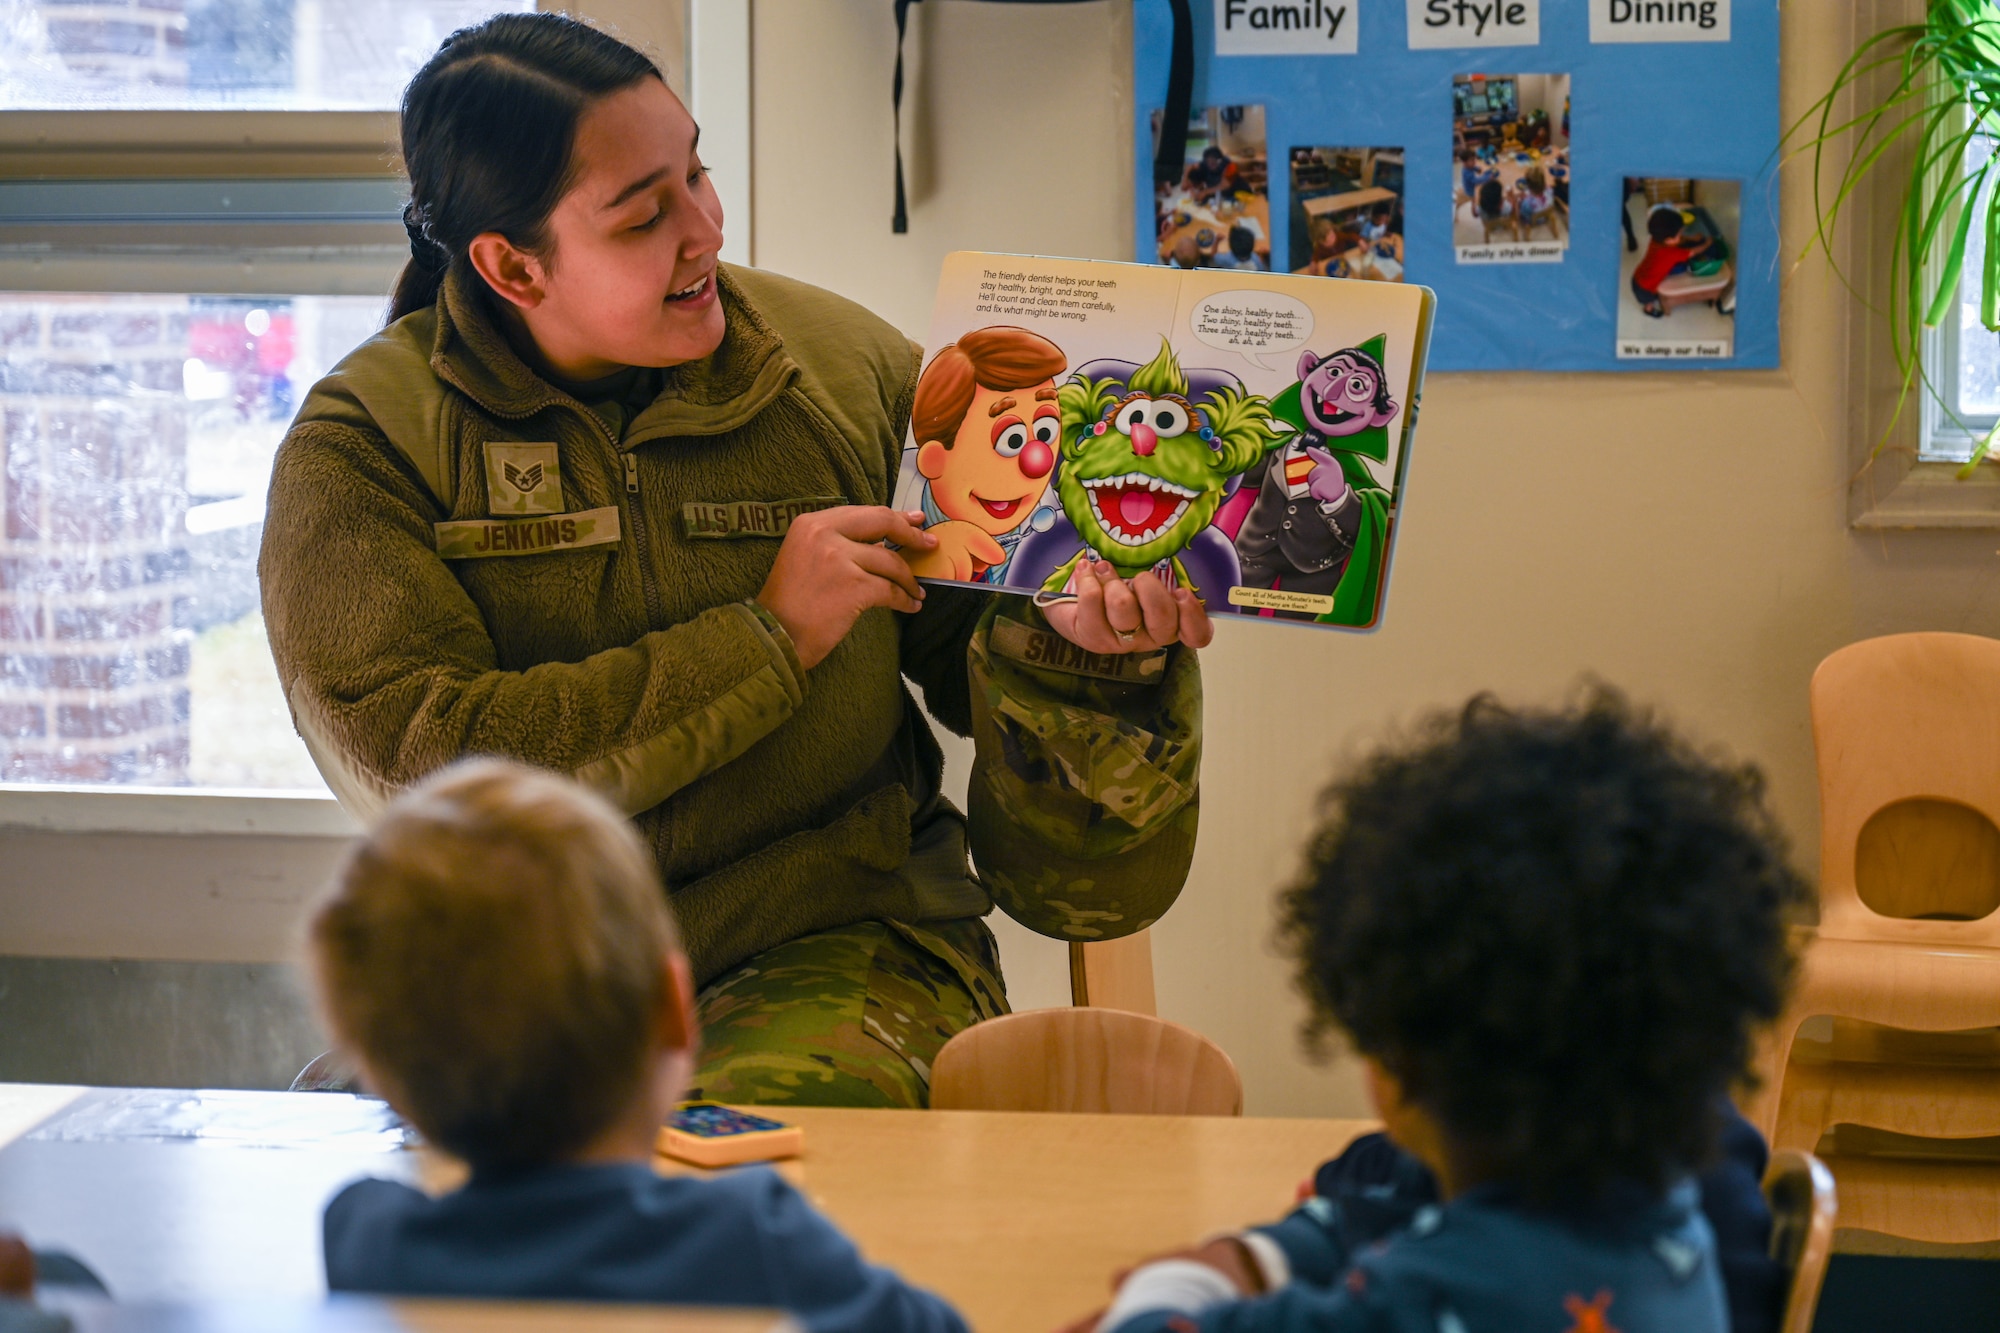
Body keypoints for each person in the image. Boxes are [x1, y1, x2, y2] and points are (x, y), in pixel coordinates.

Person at [259, 12, 1210, 1110]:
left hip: (833, 935)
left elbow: (982, 653)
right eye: (641, 215)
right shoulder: (366, 447)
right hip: (515, 972)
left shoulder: (844, 373)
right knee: (361, 1209)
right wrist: (768, 639)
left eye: (697, 175)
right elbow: (426, 771)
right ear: (512, 264)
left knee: (750, 1185)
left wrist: (1077, 648)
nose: (705, 230)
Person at [1073, 689, 1809, 1333]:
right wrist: (1254, 1256)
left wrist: (1174, 1284)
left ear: (1401, 1068)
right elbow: (1393, 1208)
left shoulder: (1420, 1296)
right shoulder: (1671, 1217)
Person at [311, 759, 966, 1331]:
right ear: (675, 1011)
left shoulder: (370, 1238)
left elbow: (362, 1205)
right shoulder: (753, 1235)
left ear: (382, 1076)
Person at [903, 327, 1065, 584]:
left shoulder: (1058, 525)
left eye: (1046, 431)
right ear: (934, 459)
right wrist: (904, 568)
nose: (1036, 461)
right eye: (1012, 440)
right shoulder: (890, 491)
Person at [1632, 206, 1714, 317]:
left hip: (1639, 276)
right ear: (1669, 239)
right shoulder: (1671, 253)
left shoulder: (1656, 239)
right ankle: (1648, 309)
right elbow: (1693, 252)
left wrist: (1692, 238)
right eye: (1679, 234)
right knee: (1649, 301)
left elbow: (1676, 241)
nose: (1681, 235)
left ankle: (1650, 301)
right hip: (1644, 287)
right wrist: (1707, 244)